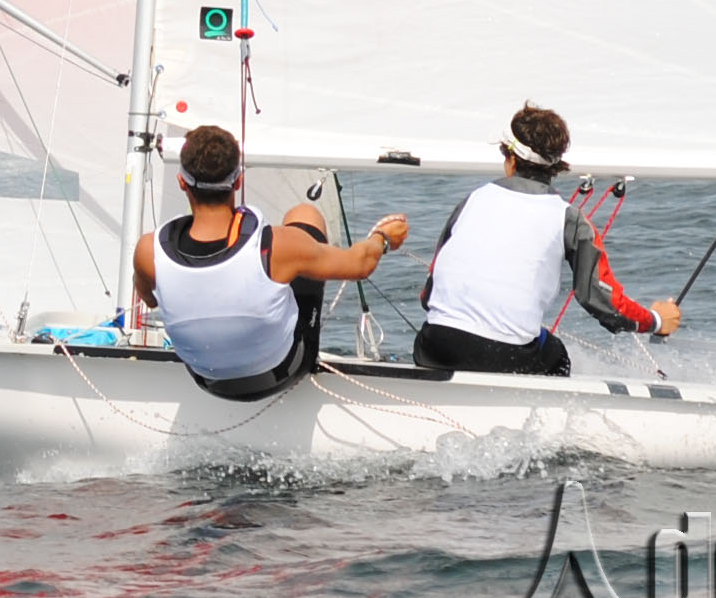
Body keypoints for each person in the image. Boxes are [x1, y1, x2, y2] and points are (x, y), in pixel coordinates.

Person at [131, 124, 411, 401]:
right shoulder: (280, 246)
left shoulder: (147, 251)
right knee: (305, 215)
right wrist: (383, 238)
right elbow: (360, 265)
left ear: (182, 182)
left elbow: (151, 300)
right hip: (278, 373)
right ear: (238, 181)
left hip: (207, 380)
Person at [412, 103, 680, 375]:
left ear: (511, 160)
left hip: (433, 347)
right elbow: (601, 300)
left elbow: (429, 294)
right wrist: (655, 321)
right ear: (556, 166)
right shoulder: (569, 218)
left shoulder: (471, 200)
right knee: (556, 355)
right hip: (505, 357)